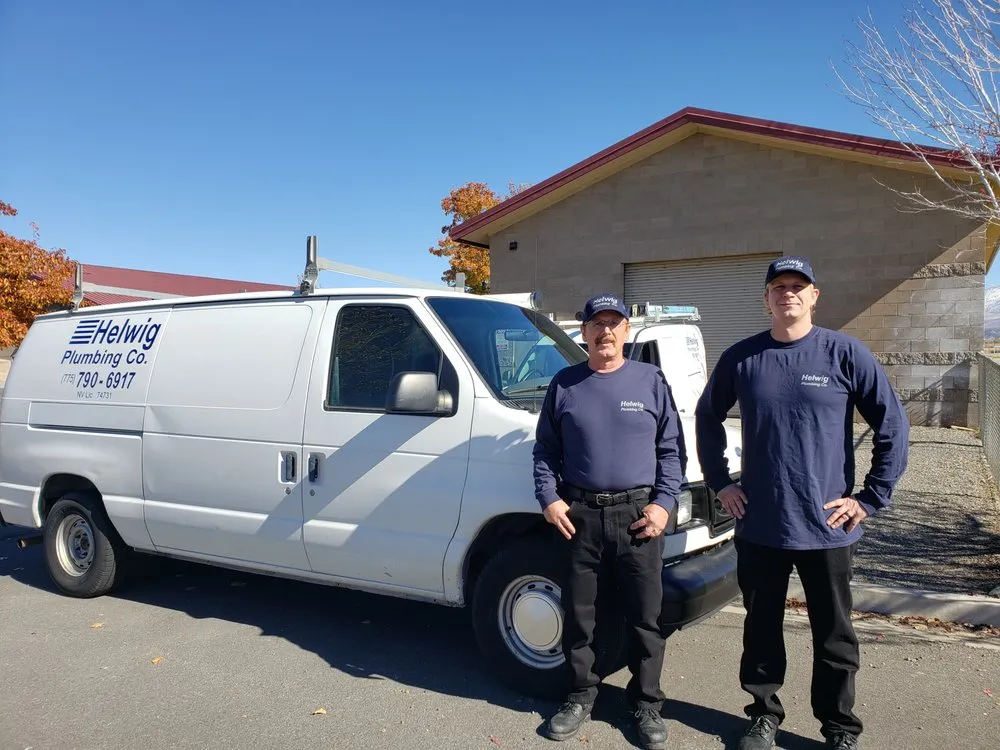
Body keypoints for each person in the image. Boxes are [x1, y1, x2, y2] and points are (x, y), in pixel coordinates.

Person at [694, 256, 909, 750]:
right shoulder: (743, 358)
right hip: (761, 523)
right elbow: (707, 417)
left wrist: (870, 498)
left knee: (834, 633)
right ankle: (763, 714)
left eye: (798, 286)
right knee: (762, 627)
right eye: (778, 286)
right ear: (766, 298)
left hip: (827, 525)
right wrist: (721, 482)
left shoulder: (844, 353)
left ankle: (838, 726)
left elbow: (893, 425)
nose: (788, 293)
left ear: (814, 296)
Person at [533, 292, 686, 750]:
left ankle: (646, 704)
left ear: (626, 331)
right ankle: (580, 696)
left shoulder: (651, 380)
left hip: (638, 517)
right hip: (579, 517)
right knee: (581, 615)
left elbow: (671, 450)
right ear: (583, 332)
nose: (605, 331)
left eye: (613, 323)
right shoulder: (565, 384)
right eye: (596, 323)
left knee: (645, 616)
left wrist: (663, 505)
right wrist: (548, 499)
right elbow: (545, 451)